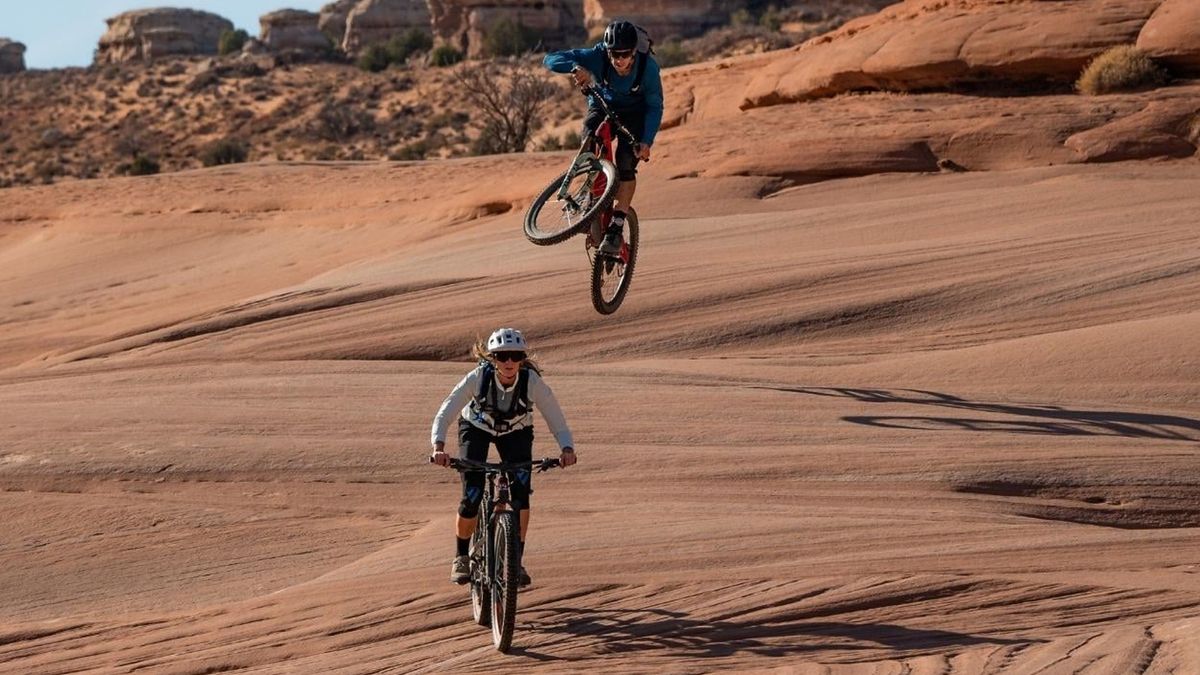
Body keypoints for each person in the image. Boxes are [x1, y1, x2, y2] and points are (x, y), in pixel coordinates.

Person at [430, 327, 577, 587]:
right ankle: (461, 557)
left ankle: (515, 560)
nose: (509, 362)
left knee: (520, 496)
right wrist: (438, 447)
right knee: (472, 496)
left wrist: (566, 450)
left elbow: (556, 417)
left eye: (515, 355)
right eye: (502, 356)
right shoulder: (477, 378)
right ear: (492, 359)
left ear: (522, 358)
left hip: (517, 431)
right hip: (475, 428)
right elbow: (447, 410)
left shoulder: (532, 382)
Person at [543, 20, 664, 257]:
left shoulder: (647, 69)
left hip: (635, 115)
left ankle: (617, 225)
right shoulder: (598, 55)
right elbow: (550, 59)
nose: (619, 60)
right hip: (603, 105)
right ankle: (592, 198)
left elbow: (654, 107)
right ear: (606, 50)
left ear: (634, 52)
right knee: (591, 135)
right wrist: (575, 68)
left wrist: (646, 141)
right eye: (614, 54)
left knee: (626, 162)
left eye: (625, 54)